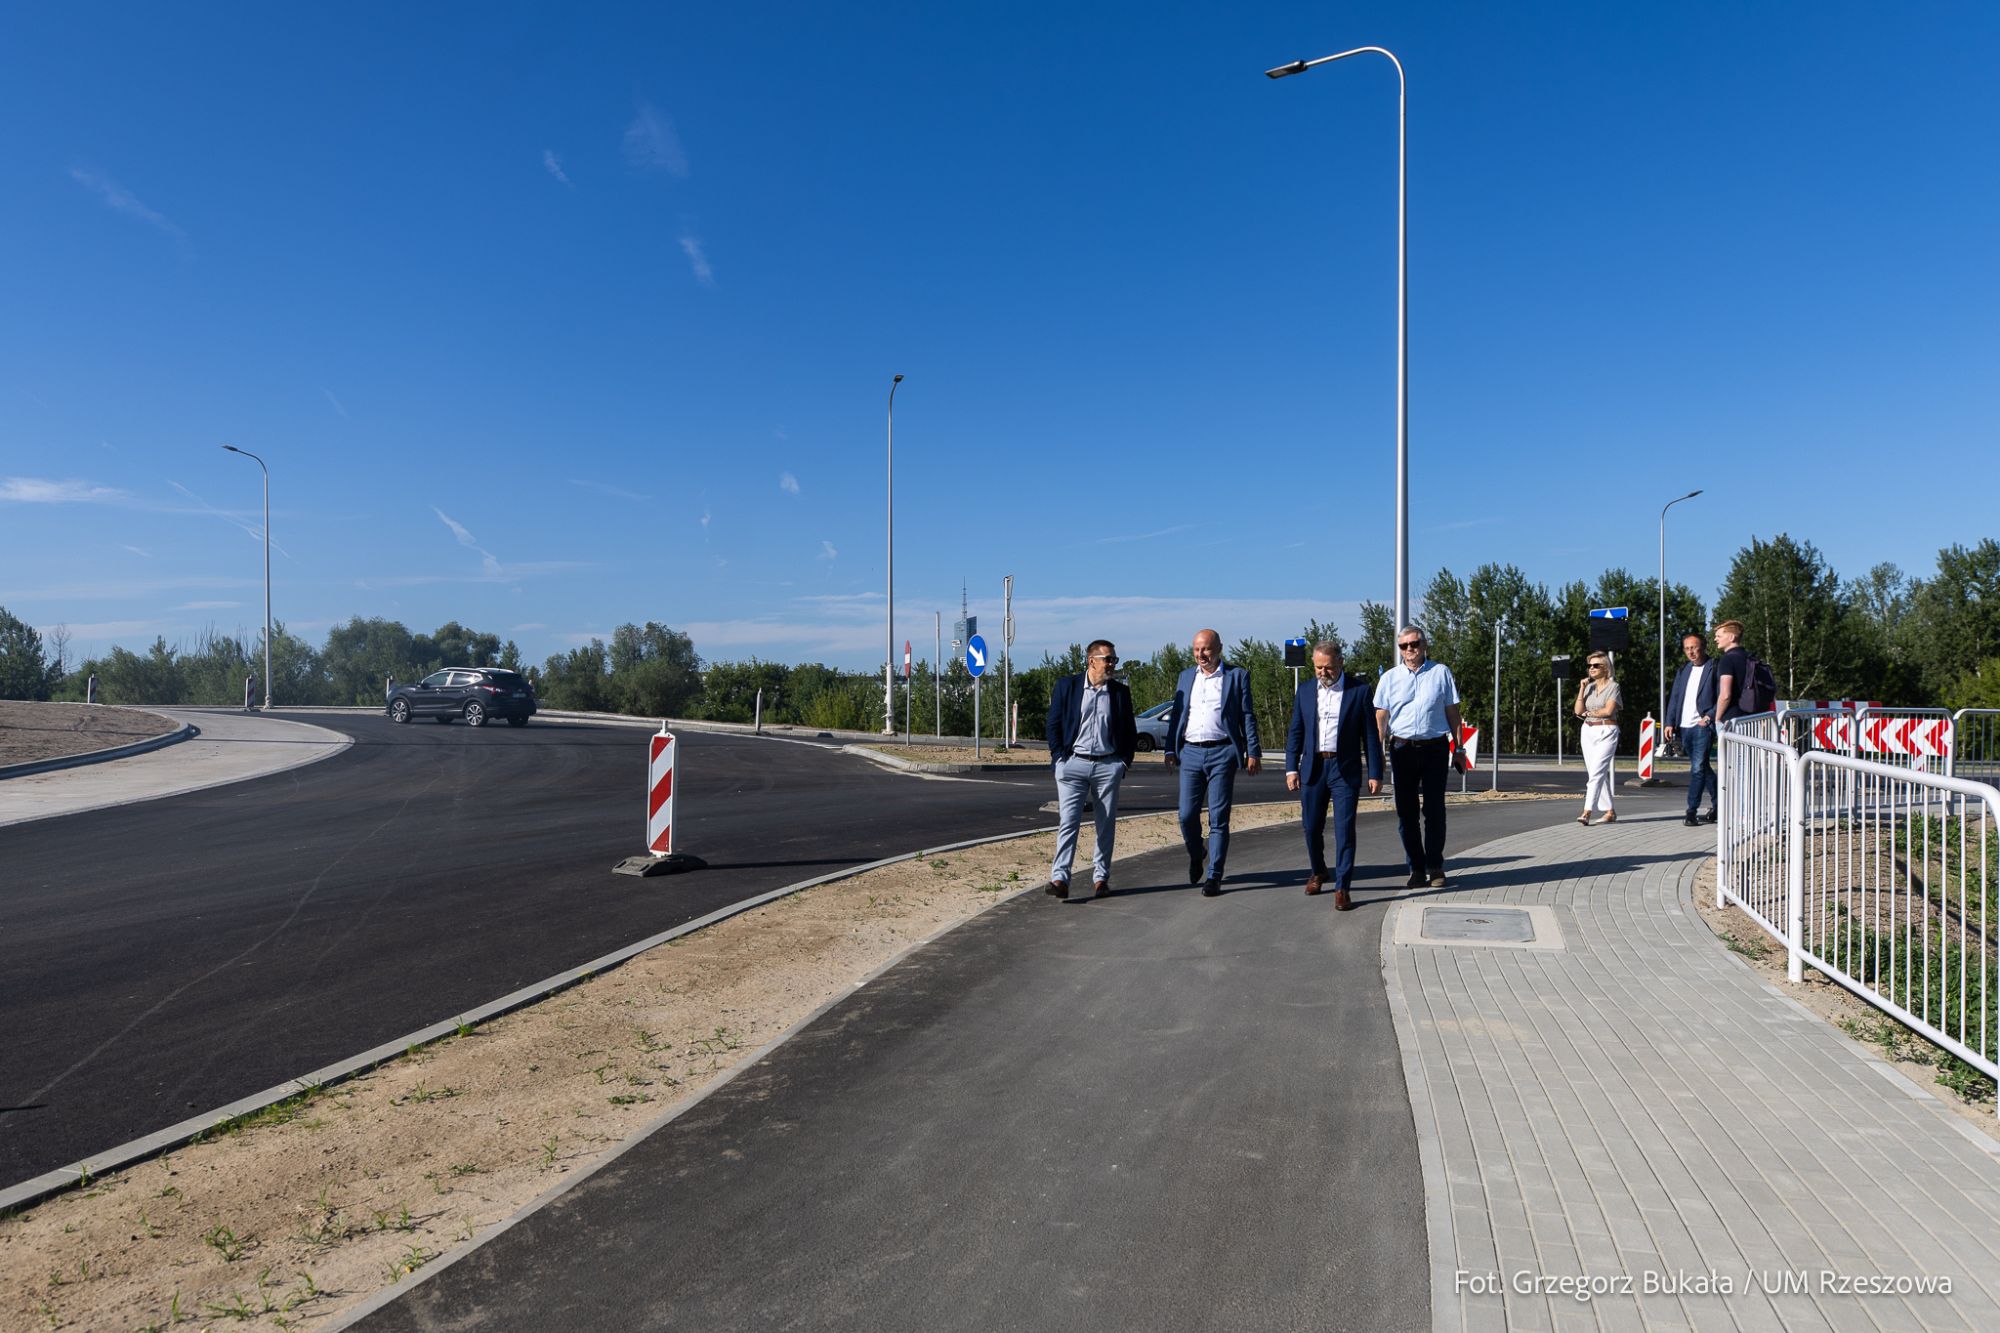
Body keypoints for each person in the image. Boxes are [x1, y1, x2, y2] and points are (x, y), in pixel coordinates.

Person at [1284, 640, 1383, 910]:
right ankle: (1318, 871)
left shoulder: (1359, 691)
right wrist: (1291, 767)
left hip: (1344, 769)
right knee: (1311, 827)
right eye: (1318, 667)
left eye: (1327, 667)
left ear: (1340, 662)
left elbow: (1370, 737)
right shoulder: (1304, 691)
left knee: (1344, 830)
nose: (1322, 672)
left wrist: (1375, 772)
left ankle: (1343, 887)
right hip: (1313, 769)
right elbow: (1296, 731)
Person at [1166, 628, 1262, 897]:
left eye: (1206, 649)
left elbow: (1247, 715)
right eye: (1197, 650)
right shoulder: (1186, 676)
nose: (1201, 655)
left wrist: (1252, 751)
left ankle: (1214, 876)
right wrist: (1170, 750)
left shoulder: (1236, 676)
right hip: (1191, 753)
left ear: (1219, 648)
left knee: (1218, 818)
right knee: (1186, 815)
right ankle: (1197, 853)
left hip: (1223, 753)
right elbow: (1177, 714)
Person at [1043, 640, 1138, 900]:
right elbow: (1054, 724)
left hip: (1108, 765)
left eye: (1114, 659)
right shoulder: (1068, 686)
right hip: (1073, 764)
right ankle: (1060, 878)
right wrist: (1059, 759)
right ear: (1091, 660)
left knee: (1105, 825)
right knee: (1068, 822)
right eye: (1107, 659)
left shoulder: (1119, 692)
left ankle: (1101, 879)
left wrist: (1123, 762)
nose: (1111, 664)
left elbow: (1130, 731)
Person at [1373, 626, 1465, 889]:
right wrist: (1377, 753)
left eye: (1414, 644)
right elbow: (1380, 719)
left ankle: (1435, 866)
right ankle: (1415, 867)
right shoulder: (1389, 679)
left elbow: (1453, 713)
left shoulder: (1440, 672)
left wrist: (1459, 749)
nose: (1409, 649)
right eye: (1403, 646)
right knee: (1406, 812)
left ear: (1424, 645)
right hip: (1401, 750)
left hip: (1435, 748)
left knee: (1435, 810)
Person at [1664, 629, 1718, 826]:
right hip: (1684, 726)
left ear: (1703, 647)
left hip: (1702, 726)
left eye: (1694, 647)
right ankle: (1718, 804)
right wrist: (1669, 722)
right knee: (1702, 766)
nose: (1691, 652)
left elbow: (1722, 696)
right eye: (1687, 648)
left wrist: (1709, 716)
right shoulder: (1683, 670)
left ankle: (1691, 811)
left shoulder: (1714, 667)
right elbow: (1675, 698)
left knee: (1697, 769)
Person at [1574, 652, 1622, 825]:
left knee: (1596, 773)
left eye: (1596, 665)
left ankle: (1587, 811)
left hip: (1607, 730)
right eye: (1589, 666)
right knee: (1595, 771)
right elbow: (1578, 711)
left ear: (1606, 667)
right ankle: (1609, 811)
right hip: (1588, 730)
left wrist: (1591, 713)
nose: (1591, 669)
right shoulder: (1589, 687)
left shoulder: (1613, 686)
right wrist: (1581, 688)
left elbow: (1608, 711)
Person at [1712, 620, 1749, 723]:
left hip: (1732, 719)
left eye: (1719, 636)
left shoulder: (1727, 659)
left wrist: (1717, 718)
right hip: (1753, 717)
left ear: (1731, 637)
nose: (1715, 639)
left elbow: (1725, 695)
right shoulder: (1750, 657)